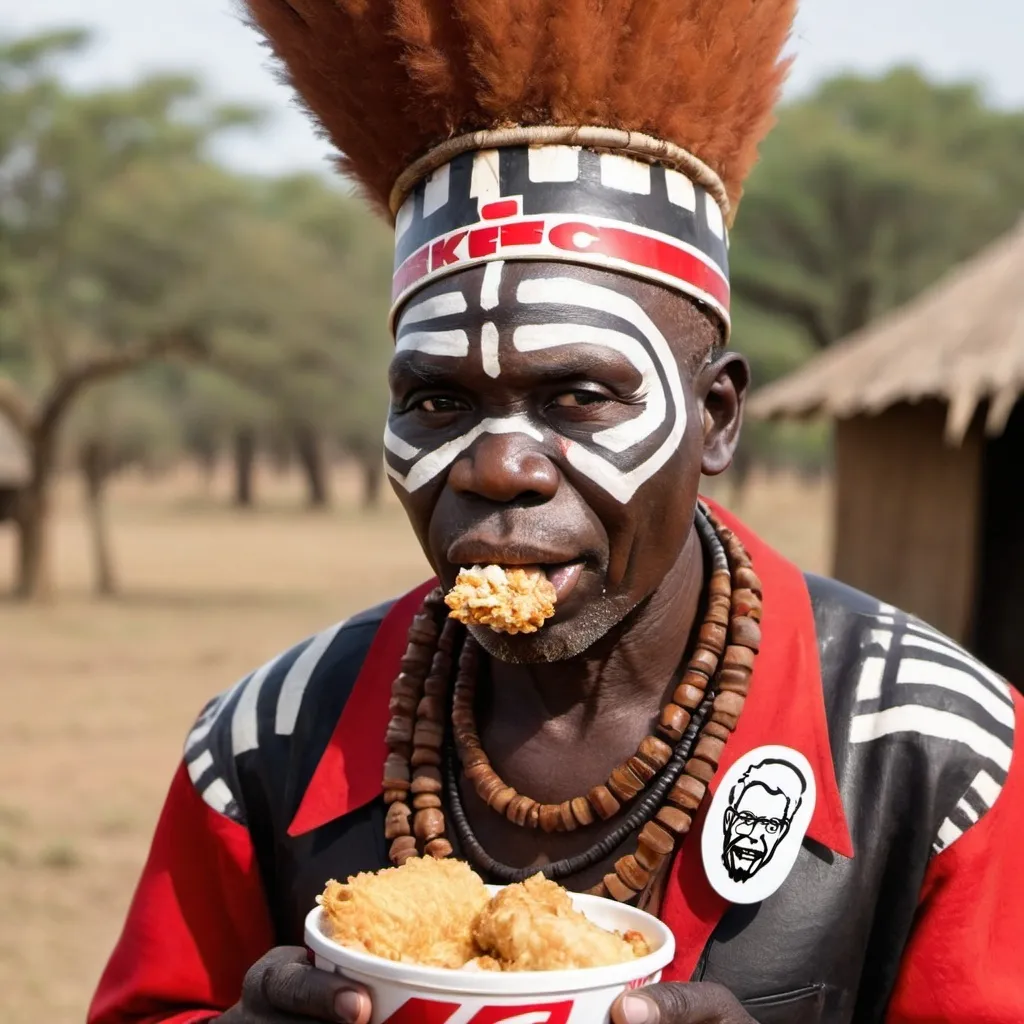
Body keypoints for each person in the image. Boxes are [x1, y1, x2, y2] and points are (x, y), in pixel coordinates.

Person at [88, 1, 1024, 1022]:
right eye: (436, 400)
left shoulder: (939, 752)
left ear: (714, 418)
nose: (496, 466)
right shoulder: (262, 744)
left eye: (577, 396)